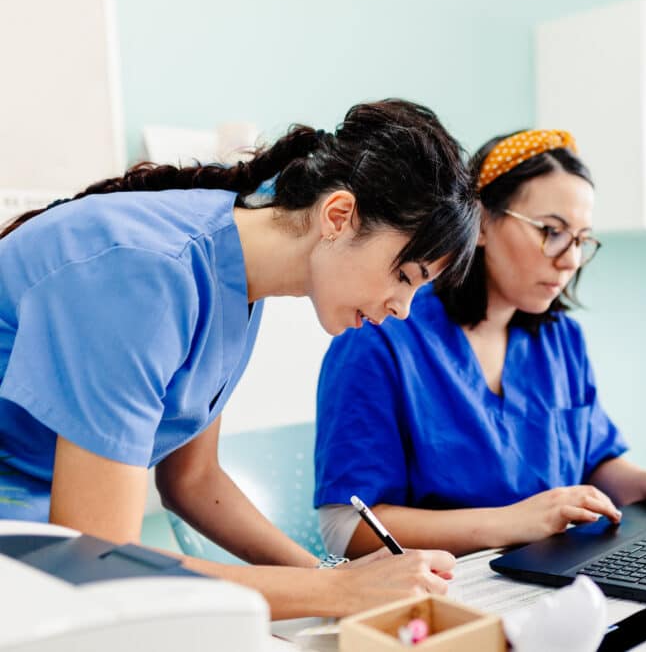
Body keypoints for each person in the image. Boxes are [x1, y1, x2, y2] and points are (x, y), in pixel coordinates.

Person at [0, 99, 479, 618]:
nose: (403, 310)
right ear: (338, 216)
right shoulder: (146, 274)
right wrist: (337, 593)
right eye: (405, 276)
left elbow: (193, 480)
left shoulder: (238, 277)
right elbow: (98, 561)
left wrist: (331, 577)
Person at [314, 129, 646, 558]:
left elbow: (595, 464)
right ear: (482, 222)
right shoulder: (381, 334)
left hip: (558, 571)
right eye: (551, 231)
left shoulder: (561, 339)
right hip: (446, 596)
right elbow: (347, 528)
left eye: (581, 241)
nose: (568, 261)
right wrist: (511, 523)